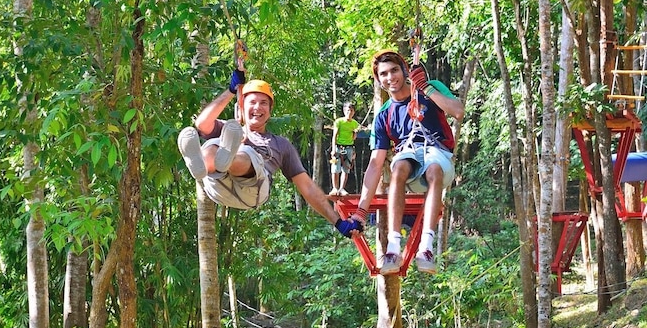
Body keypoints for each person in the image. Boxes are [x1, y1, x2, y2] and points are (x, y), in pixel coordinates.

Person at [177, 69, 362, 239]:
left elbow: (308, 188)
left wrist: (338, 222)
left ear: (270, 110)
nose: (257, 107)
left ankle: (228, 159)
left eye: (263, 103)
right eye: (252, 102)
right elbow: (201, 124)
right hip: (218, 187)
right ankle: (202, 165)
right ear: (242, 107)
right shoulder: (231, 130)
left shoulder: (280, 145)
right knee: (212, 145)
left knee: (246, 152)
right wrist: (231, 91)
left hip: (254, 190)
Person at [355, 50, 464, 275]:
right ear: (379, 80)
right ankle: (393, 247)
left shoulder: (428, 89)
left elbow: (458, 111)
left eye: (394, 70)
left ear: (404, 70)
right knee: (399, 168)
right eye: (383, 74)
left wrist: (425, 87)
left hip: (438, 154)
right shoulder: (384, 115)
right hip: (409, 158)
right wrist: (361, 211)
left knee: (433, 170)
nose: (390, 77)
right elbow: (376, 164)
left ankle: (426, 246)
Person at [330, 102, 360, 196]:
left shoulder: (355, 123)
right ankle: (335, 188)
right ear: (344, 111)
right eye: (347, 110)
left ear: (354, 112)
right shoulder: (339, 121)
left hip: (349, 147)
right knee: (335, 168)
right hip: (339, 147)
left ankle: (342, 189)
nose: (349, 112)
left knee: (346, 169)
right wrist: (333, 148)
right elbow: (334, 135)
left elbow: (353, 138)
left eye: (351, 110)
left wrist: (355, 132)